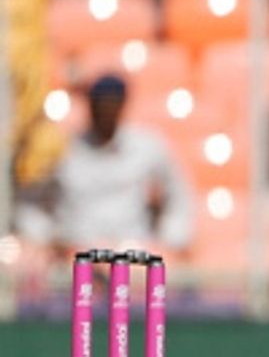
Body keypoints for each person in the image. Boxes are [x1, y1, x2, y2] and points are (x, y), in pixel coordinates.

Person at [16, 75, 192, 254]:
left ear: (122, 105)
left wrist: (171, 239)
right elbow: (29, 203)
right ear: (90, 105)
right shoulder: (63, 150)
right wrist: (47, 237)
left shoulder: (147, 146)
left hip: (131, 257)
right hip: (76, 259)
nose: (106, 111)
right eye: (100, 104)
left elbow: (178, 192)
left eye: (112, 104)